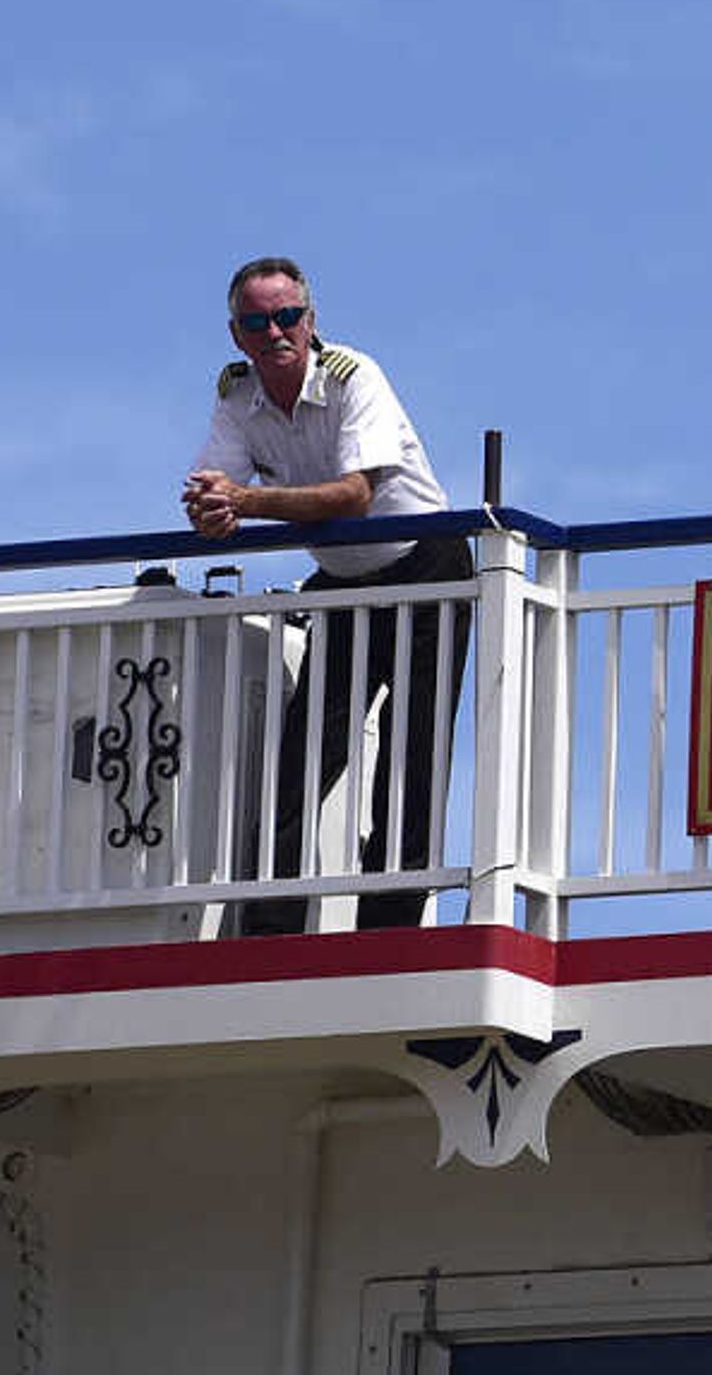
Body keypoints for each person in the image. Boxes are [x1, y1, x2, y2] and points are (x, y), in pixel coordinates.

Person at [181, 255, 462, 931]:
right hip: (343, 580)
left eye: (287, 317)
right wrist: (212, 511)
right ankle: (271, 927)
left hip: (425, 568)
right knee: (302, 757)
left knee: (410, 758)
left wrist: (243, 500)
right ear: (236, 333)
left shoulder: (353, 377)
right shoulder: (235, 396)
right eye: (257, 320)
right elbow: (208, 486)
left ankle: (387, 929)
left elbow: (354, 495)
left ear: (311, 321)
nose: (275, 332)